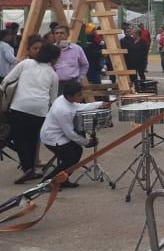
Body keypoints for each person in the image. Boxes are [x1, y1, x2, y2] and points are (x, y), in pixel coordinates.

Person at [3, 44, 61, 183]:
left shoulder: (26, 63)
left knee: (20, 139)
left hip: (19, 106)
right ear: (54, 59)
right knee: (32, 139)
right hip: (40, 110)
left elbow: (6, 81)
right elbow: (53, 99)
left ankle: (28, 168)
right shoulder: (53, 74)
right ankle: (31, 167)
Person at [39, 79, 101, 186]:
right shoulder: (63, 110)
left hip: (59, 134)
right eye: (79, 94)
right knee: (70, 158)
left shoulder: (64, 99)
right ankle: (48, 181)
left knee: (76, 151)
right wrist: (87, 142)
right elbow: (70, 134)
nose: (82, 96)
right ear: (69, 96)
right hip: (52, 138)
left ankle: (63, 180)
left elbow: (79, 107)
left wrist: (100, 104)